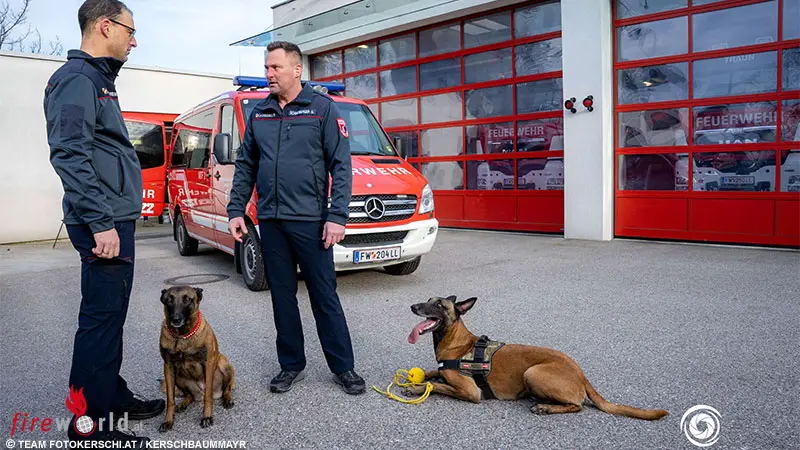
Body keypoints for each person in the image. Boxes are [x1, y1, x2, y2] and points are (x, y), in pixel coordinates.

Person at [44, 0, 164, 445]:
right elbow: (69, 154)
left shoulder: (97, 80)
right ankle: (91, 427)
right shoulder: (78, 79)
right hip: (103, 222)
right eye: (130, 31)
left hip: (112, 218)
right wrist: (100, 222)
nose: (134, 41)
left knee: (111, 318)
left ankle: (111, 397)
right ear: (104, 26)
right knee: (99, 322)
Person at [227, 41, 366, 395]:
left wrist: (337, 216)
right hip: (272, 221)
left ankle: (344, 367)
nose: (269, 74)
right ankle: (291, 365)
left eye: (275, 67)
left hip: (311, 221)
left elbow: (341, 166)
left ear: (297, 69)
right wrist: (236, 209)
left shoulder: (322, 109)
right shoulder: (260, 113)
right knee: (282, 296)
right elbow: (246, 164)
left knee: (324, 295)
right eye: (267, 68)